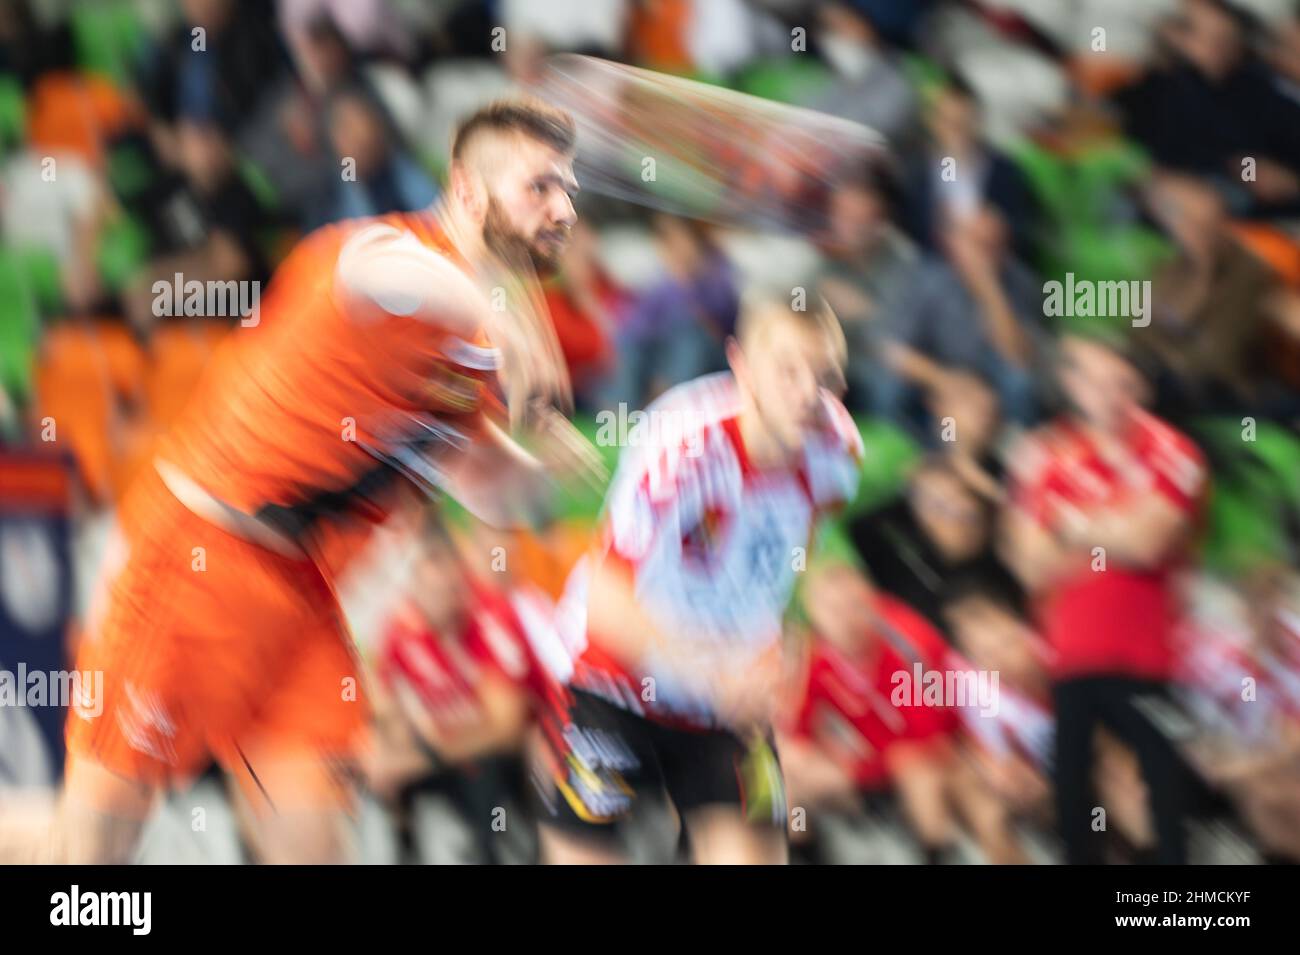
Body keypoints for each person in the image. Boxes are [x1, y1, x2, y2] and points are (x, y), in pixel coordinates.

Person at [0, 96, 597, 864]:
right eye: (539, 186)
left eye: (569, 188)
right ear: (469, 189)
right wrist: (496, 308)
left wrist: (568, 471)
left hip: (301, 606)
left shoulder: (470, 363)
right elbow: (378, 276)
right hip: (196, 561)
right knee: (83, 869)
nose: (562, 206)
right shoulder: (380, 255)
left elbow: (490, 488)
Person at [532, 291, 862, 864]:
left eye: (825, 376)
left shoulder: (837, 455)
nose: (807, 394)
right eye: (787, 370)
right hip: (610, 678)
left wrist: (783, 656)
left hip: (723, 698)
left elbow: (789, 569)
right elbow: (607, 603)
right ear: (741, 364)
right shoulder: (684, 446)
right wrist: (708, 674)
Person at [1002, 330, 1207, 864]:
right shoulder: (1044, 454)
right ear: (1072, 384)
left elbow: (1150, 541)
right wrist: (1114, 526)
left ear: (1136, 385)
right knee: (1074, 797)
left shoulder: (1172, 448)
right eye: (1091, 378)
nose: (1105, 391)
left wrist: (1068, 523)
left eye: (1118, 380)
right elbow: (1029, 563)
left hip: (1150, 656)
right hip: (1070, 657)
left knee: (1162, 793)